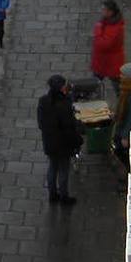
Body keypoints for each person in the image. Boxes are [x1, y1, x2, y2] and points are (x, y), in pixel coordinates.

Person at [37, 74, 82, 205]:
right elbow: (69, 126)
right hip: (63, 143)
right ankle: (64, 196)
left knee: (52, 167)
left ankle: (52, 194)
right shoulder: (65, 104)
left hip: (49, 142)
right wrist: (77, 140)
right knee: (63, 169)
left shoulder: (43, 101)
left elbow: (40, 123)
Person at [91, 0, 127, 97]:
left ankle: (123, 105)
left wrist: (97, 30)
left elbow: (103, 44)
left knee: (118, 87)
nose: (101, 11)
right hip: (103, 61)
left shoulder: (115, 28)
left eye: (104, 10)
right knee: (95, 84)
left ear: (110, 12)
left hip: (111, 63)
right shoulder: (107, 22)